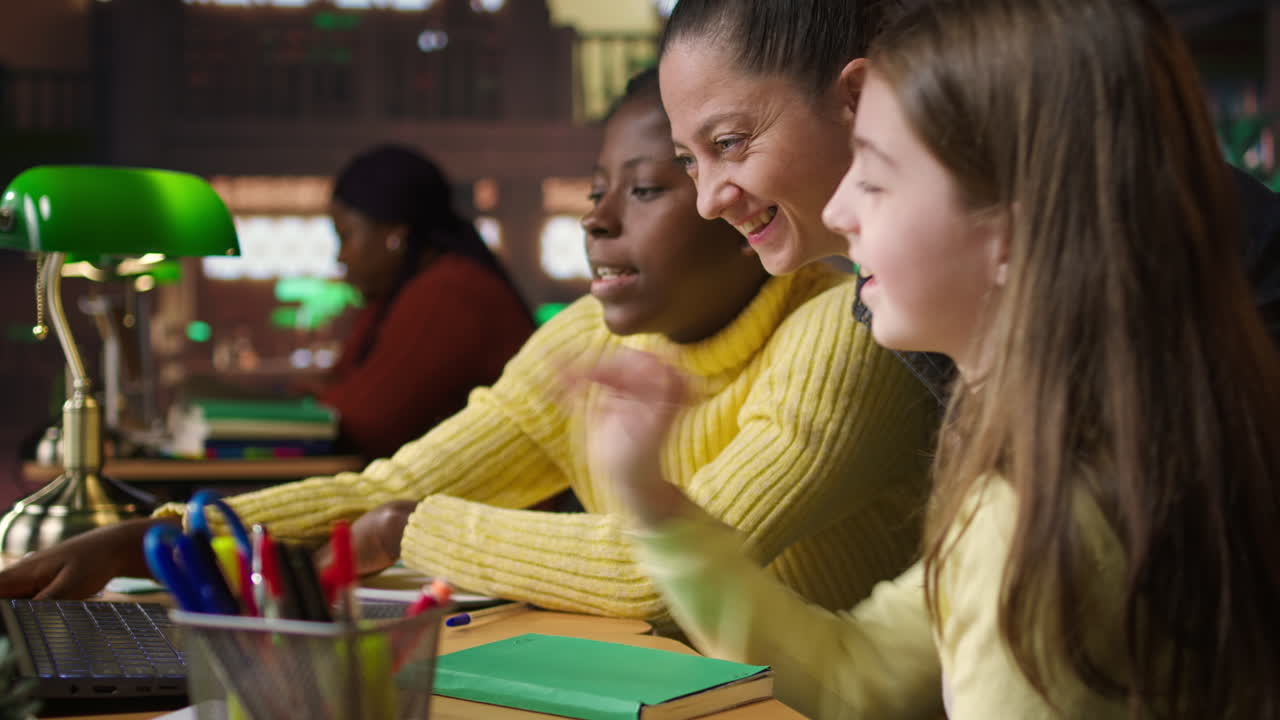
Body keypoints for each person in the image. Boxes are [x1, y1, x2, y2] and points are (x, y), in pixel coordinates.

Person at [0, 71, 936, 622]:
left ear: (742, 206)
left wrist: (410, 532)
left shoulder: (846, 325)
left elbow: (650, 573)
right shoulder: (579, 342)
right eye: (597, 185)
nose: (595, 218)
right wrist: (151, 543)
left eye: (647, 188)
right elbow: (378, 488)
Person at [582, 0, 1280, 717]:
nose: (844, 208)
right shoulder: (1066, 444)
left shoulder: (1041, 519)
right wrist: (655, 504)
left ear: (1015, 223)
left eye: (876, 176)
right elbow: (864, 669)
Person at [309, 145, 534, 459]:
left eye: (346, 236)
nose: (340, 256)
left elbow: (362, 423)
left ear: (395, 236)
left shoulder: (450, 293)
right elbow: (336, 393)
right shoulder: (400, 293)